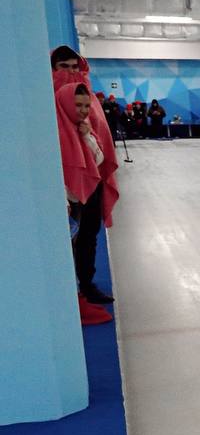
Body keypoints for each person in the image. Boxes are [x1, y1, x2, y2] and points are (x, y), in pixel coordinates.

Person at [50, 46, 120, 306]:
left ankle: (87, 283)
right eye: (63, 67)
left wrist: (86, 135)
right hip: (63, 187)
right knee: (66, 237)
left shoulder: (88, 100)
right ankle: (66, 286)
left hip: (92, 181)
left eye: (74, 67)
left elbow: (100, 150)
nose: (70, 72)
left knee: (89, 234)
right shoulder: (48, 105)